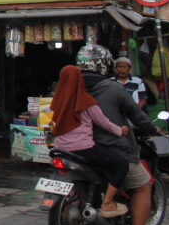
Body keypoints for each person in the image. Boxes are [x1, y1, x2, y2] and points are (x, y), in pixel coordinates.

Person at [77, 44, 164, 225]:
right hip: (112, 147)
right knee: (143, 185)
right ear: (107, 66)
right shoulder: (113, 88)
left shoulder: (71, 86)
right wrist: (152, 128)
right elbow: (135, 114)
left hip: (78, 149)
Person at [49, 65, 130, 217]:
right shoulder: (85, 100)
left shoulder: (58, 101)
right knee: (121, 163)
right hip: (83, 150)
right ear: (79, 80)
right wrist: (121, 130)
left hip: (61, 149)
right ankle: (107, 203)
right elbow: (103, 122)